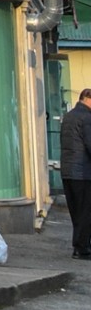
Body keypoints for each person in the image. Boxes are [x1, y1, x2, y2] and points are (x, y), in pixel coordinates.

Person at [59, 89, 91, 257]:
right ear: (87, 99)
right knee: (86, 211)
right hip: (83, 172)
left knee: (76, 212)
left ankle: (79, 246)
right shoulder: (87, 118)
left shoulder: (68, 117)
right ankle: (82, 248)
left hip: (68, 171)